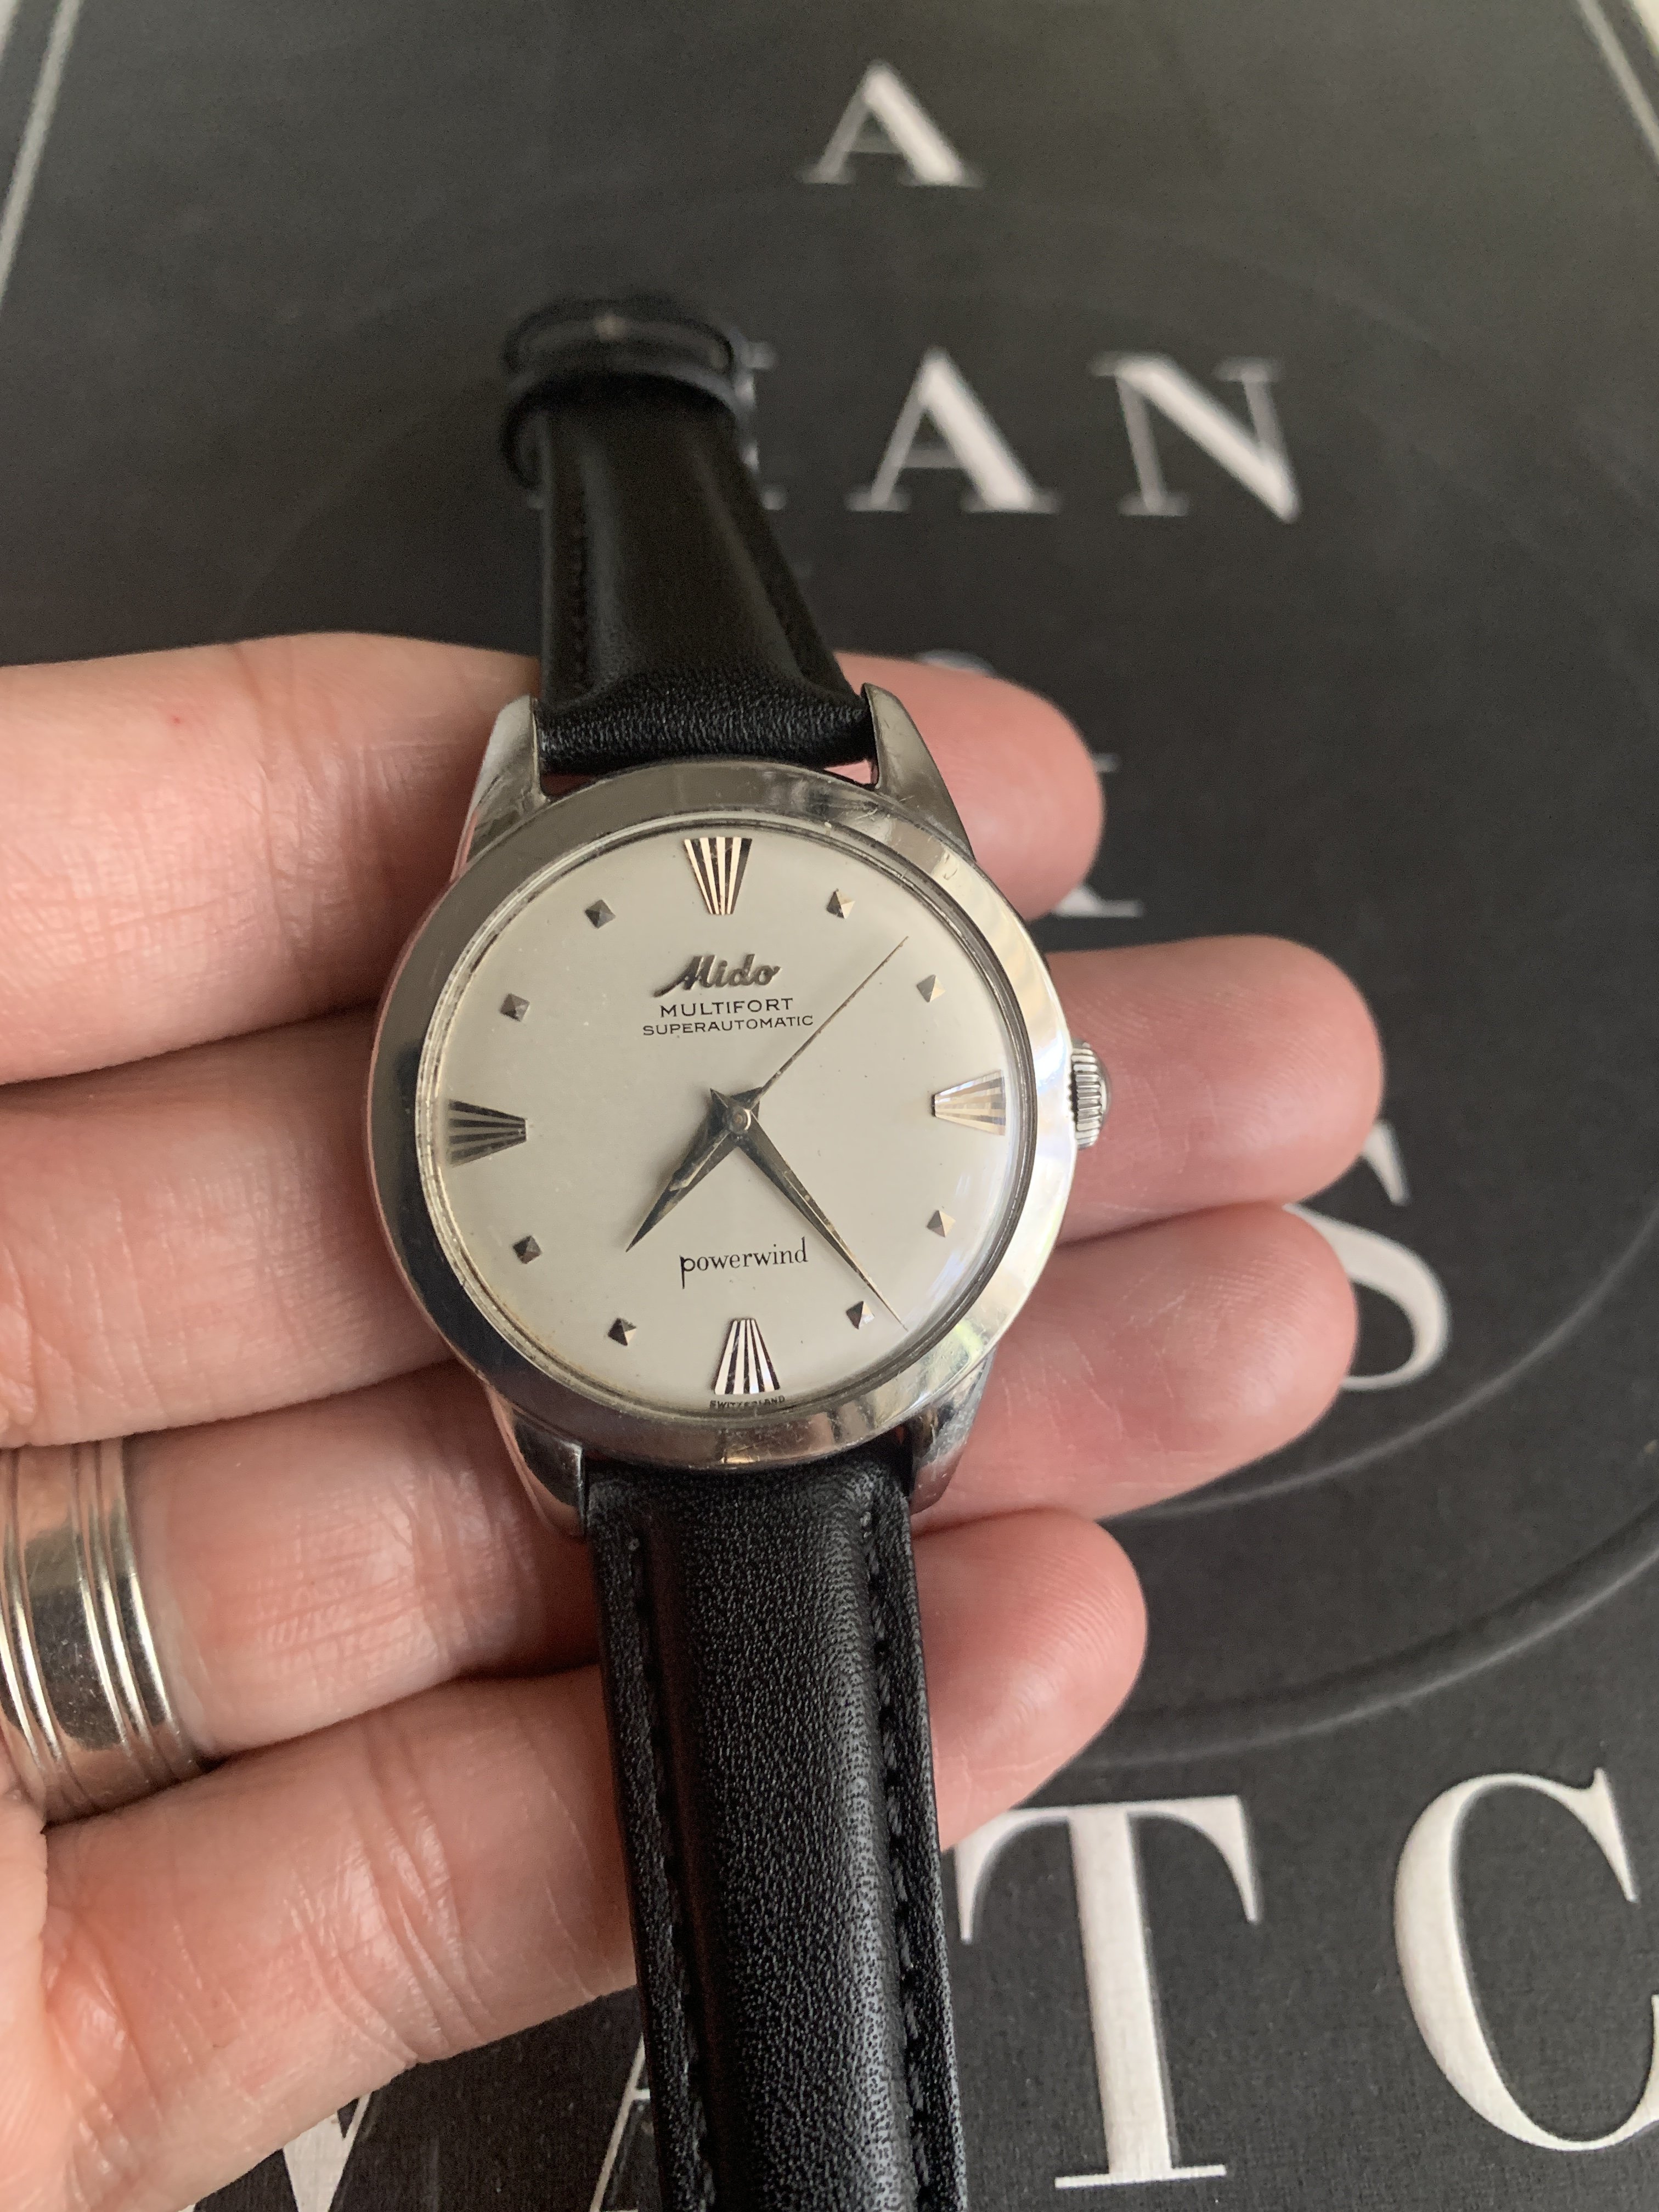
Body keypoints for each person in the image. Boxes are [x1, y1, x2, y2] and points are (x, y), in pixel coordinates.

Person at [0, 634, 1380, 2212]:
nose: (732, 1117)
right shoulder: (671, 858)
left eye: (741, 1115)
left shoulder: (736, 858)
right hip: (649, 1411)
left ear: (1061, 1096)